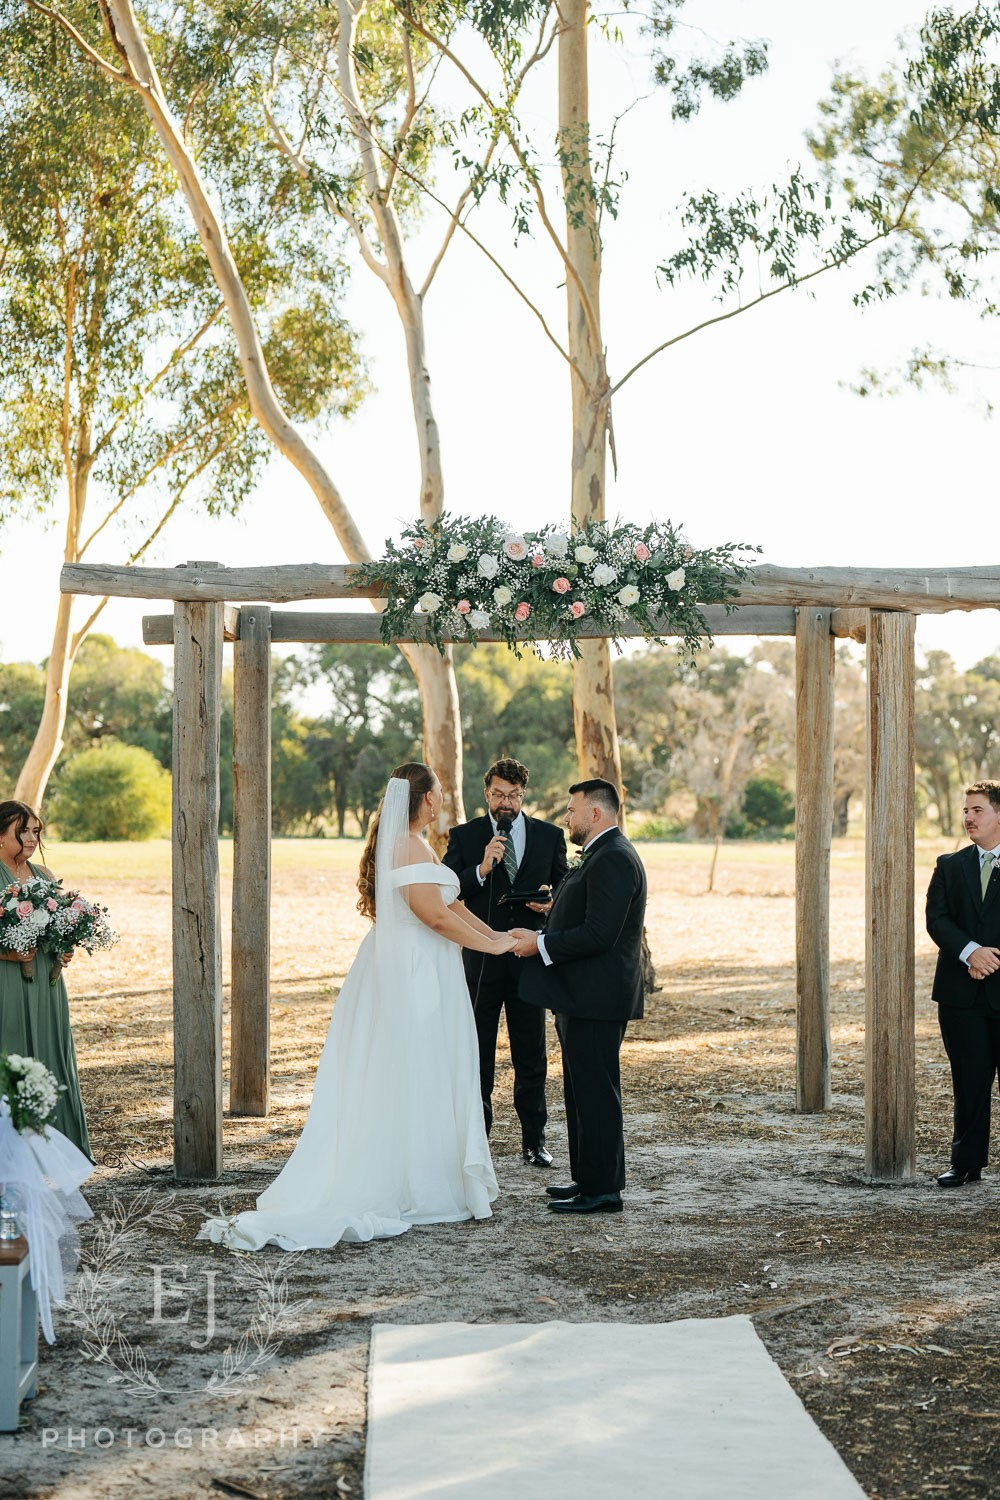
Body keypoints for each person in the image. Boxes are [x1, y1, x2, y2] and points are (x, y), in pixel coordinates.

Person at [202, 764, 513, 1251]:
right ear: (426, 801)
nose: (441, 801)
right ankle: (412, 1182)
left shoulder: (419, 844)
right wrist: (492, 948)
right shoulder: (408, 846)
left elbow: (451, 905)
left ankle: (430, 1173)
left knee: (427, 1066)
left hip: (424, 966)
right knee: (414, 1067)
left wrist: (496, 937)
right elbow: (431, 915)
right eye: (437, 794)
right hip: (411, 971)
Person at [510, 779, 646, 1215]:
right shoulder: (602, 855)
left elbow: (600, 934)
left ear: (595, 814)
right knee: (581, 1092)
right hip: (582, 994)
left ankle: (604, 1191)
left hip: (597, 996)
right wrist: (554, 912)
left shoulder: (615, 859)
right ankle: (589, 1179)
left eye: (572, 810)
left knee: (597, 1094)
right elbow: (589, 913)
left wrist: (541, 945)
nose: (566, 818)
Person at [443, 757, 568, 1167]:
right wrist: (480, 869)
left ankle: (534, 1140)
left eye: (513, 796)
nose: (506, 803)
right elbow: (444, 891)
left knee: (530, 1052)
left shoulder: (550, 837)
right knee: (476, 1049)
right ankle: (478, 1139)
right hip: (480, 960)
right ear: (486, 794)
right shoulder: (466, 836)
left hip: (529, 958)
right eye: (499, 794)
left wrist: (549, 906)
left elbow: (567, 892)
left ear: (523, 795)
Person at [0, 800, 92, 1159]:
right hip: (6, 984)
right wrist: (9, 954)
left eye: (35, 831)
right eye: (21, 831)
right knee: (10, 1053)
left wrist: (63, 950)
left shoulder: (45, 875)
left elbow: (56, 928)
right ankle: (12, 1152)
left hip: (47, 987)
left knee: (52, 1055)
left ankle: (59, 1150)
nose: (30, 838)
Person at [926, 780, 1000, 1187]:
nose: (968, 817)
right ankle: (966, 1163)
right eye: (966, 810)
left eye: (978, 810)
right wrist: (971, 952)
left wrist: (991, 959)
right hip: (960, 997)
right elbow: (937, 919)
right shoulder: (949, 865)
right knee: (969, 1082)